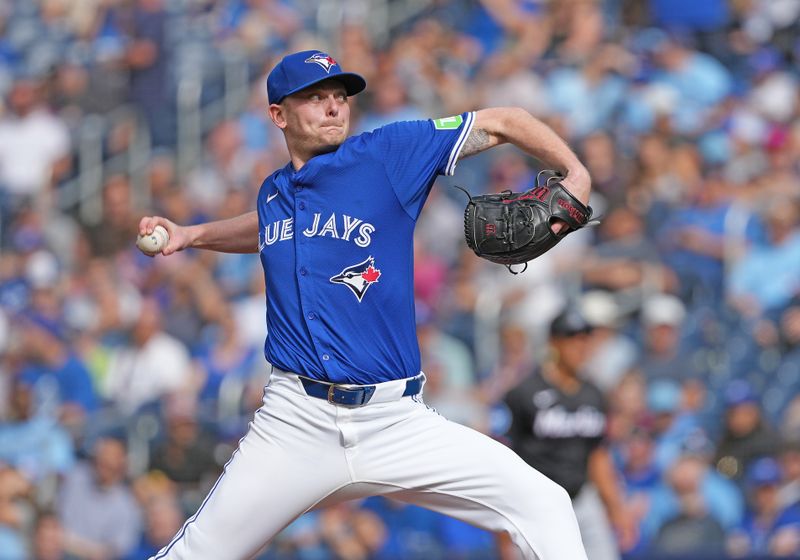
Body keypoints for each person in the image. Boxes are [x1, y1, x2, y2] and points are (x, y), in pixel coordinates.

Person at [139, 49, 592, 560]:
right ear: (277, 115)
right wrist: (193, 234)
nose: (333, 106)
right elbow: (269, 228)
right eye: (314, 97)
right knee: (193, 554)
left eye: (339, 96)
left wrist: (574, 173)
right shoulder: (274, 194)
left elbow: (507, 121)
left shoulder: (388, 154)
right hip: (295, 423)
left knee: (544, 502)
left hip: (395, 422)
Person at [502, 306, 636, 560]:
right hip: (536, 502)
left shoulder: (594, 394)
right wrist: (503, 532)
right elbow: (504, 457)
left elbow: (598, 457)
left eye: (585, 338)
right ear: (554, 342)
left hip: (581, 499)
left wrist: (618, 510)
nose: (581, 345)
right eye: (572, 338)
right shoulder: (523, 392)